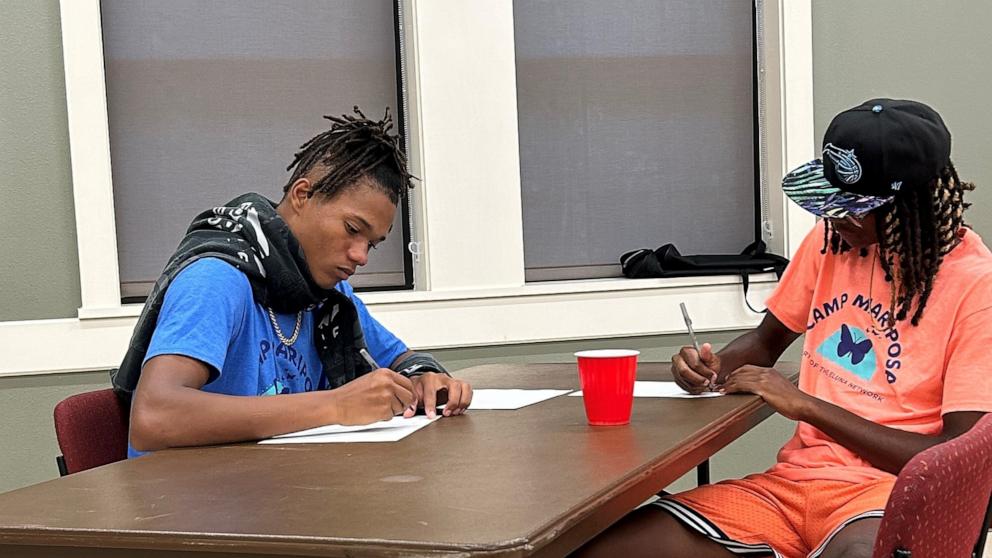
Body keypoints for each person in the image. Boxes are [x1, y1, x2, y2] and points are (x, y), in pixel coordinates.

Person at [577, 98, 992, 558]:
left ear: (911, 205)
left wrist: (806, 406)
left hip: (883, 496)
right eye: (829, 205)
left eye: (853, 210)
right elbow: (764, 342)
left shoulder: (976, 286)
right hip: (790, 489)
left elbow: (955, 454)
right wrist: (706, 368)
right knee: (601, 548)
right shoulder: (830, 242)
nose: (835, 220)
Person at [114, 107, 473, 456]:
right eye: (352, 230)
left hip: (277, 494)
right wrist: (335, 405)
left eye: (372, 245)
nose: (361, 255)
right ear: (303, 195)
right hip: (185, 507)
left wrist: (426, 378)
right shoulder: (217, 279)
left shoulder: (327, 297)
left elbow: (400, 359)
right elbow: (154, 417)